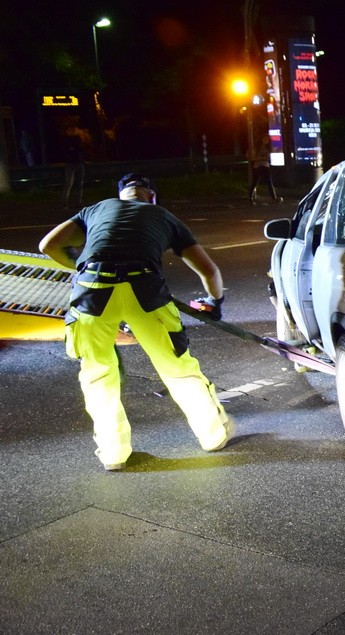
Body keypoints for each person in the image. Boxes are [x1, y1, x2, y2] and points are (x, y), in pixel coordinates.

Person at [38, 173, 234, 471]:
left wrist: (80, 266)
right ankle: (213, 435)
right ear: (151, 196)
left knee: (98, 374)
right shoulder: (163, 216)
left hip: (92, 292)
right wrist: (215, 302)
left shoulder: (96, 210)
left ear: (121, 196)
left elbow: (48, 245)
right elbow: (208, 271)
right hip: (146, 291)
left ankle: (114, 453)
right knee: (178, 368)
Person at [247, 136, 280, 203]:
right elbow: (253, 157)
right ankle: (250, 198)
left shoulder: (268, 148)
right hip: (258, 165)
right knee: (255, 182)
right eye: (265, 139)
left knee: (269, 182)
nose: (266, 141)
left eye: (267, 140)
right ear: (262, 140)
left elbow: (269, 157)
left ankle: (274, 197)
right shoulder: (257, 148)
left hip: (265, 165)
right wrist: (261, 158)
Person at [61, 133, 86, 208]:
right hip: (74, 163)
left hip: (74, 163)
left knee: (71, 184)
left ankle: (68, 202)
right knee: (75, 184)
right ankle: (76, 202)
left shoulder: (70, 143)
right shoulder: (75, 144)